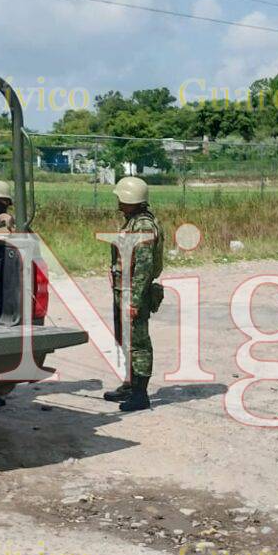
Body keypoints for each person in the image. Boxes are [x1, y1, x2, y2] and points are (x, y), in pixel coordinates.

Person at [103, 176, 163, 412]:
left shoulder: (144, 226)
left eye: (121, 198)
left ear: (132, 199)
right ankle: (130, 385)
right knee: (124, 339)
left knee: (138, 343)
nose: (118, 201)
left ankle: (140, 394)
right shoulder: (132, 222)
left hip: (133, 292)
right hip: (123, 290)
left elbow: (144, 268)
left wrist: (135, 301)